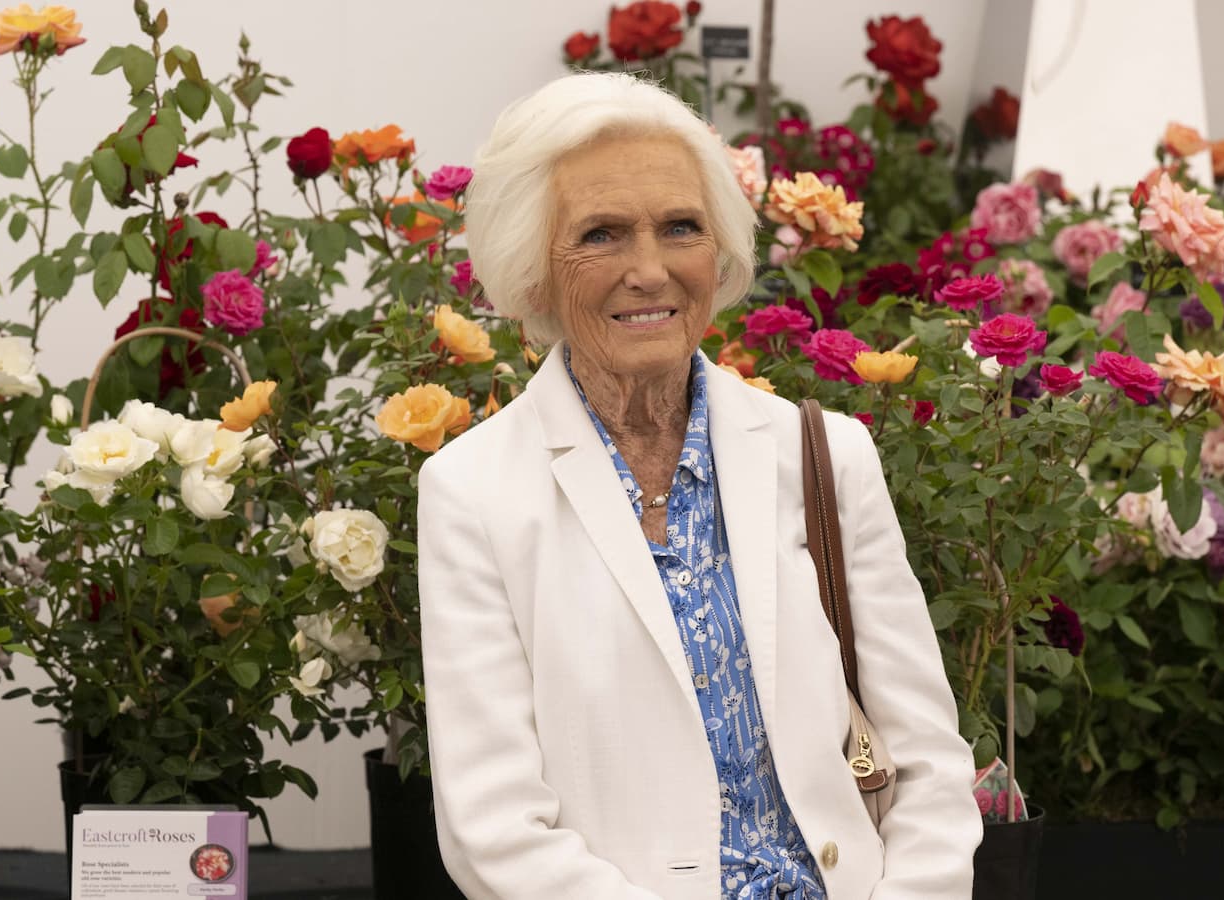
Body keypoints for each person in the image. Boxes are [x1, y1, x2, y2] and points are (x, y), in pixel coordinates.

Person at [417, 72, 980, 899]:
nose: (648, 270)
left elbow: (930, 763)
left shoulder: (825, 455)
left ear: (718, 256)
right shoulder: (472, 492)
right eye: (602, 235)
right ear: (531, 270)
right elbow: (494, 830)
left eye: (680, 227)